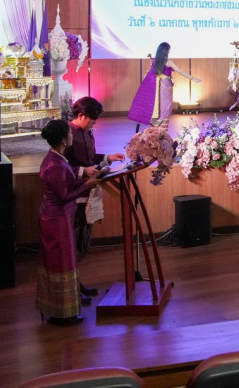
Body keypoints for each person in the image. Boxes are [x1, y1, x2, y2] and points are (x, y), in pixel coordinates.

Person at [36, 119, 103, 326]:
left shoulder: (55, 158)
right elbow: (65, 195)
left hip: (57, 217)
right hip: (57, 220)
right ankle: (62, 313)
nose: (72, 135)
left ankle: (61, 309)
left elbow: (67, 183)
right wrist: (87, 185)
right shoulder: (55, 164)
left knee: (61, 261)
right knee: (61, 263)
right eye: (70, 134)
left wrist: (87, 180)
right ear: (64, 139)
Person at [65, 96, 124, 300]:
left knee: (82, 242)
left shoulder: (88, 132)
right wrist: (83, 171)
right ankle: (71, 288)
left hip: (88, 192)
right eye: (92, 118)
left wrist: (108, 157)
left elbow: (90, 158)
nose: (95, 122)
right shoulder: (67, 134)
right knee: (72, 243)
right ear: (81, 115)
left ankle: (76, 283)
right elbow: (61, 165)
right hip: (74, 194)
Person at [127, 42, 201, 127]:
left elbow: (152, 72)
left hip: (157, 86)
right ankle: (160, 126)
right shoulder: (168, 62)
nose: (169, 51)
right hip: (165, 85)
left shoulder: (155, 61)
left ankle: (157, 125)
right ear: (166, 50)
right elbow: (180, 71)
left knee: (159, 105)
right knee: (166, 106)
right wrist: (193, 78)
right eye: (169, 50)